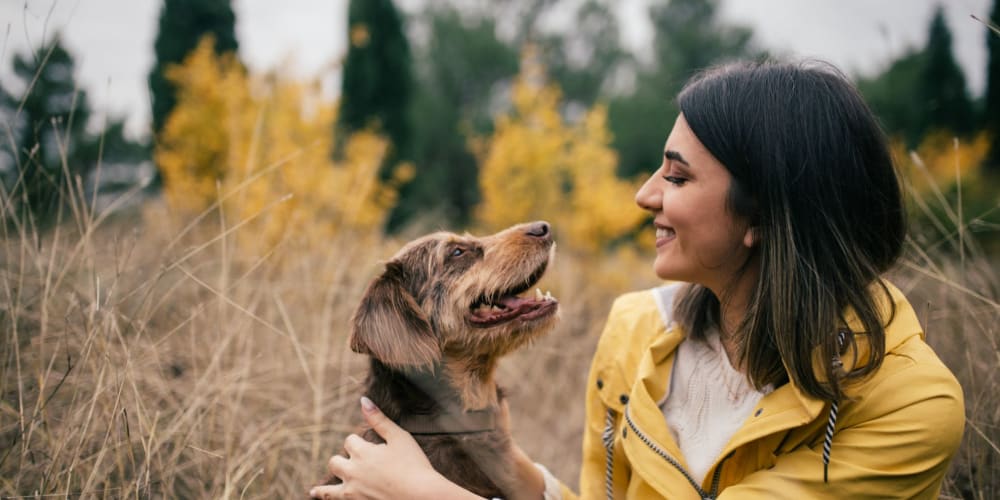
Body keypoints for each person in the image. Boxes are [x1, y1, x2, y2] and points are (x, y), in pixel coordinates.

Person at [309, 60, 965, 500]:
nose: (644, 194)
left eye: (677, 177)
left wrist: (432, 495)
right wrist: (517, 478)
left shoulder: (911, 409)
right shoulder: (634, 333)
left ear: (764, 213)